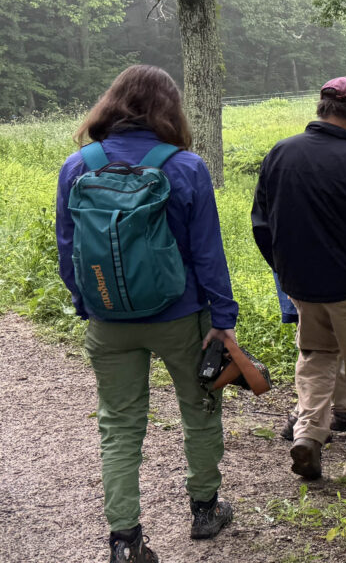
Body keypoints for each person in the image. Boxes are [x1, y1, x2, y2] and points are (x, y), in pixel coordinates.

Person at [55, 65, 236, 562]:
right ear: (169, 109)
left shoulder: (78, 166)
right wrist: (223, 317)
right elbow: (207, 253)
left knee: (118, 425)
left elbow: (67, 248)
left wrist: (86, 303)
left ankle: (125, 541)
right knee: (199, 409)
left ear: (111, 104)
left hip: (107, 320)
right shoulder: (184, 166)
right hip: (181, 317)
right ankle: (204, 509)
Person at [252, 77, 346, 484]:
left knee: (316, 360)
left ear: (321, 108)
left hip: (303, 289)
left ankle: (309, 435)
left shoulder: (280, 154)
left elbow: (262, 224)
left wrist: (286, 271)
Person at [276, 272, 346, 441]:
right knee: (319, 347)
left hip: (299, 274)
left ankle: (343, 410)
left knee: (324, 343)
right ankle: (307, 422)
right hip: (309, 278)